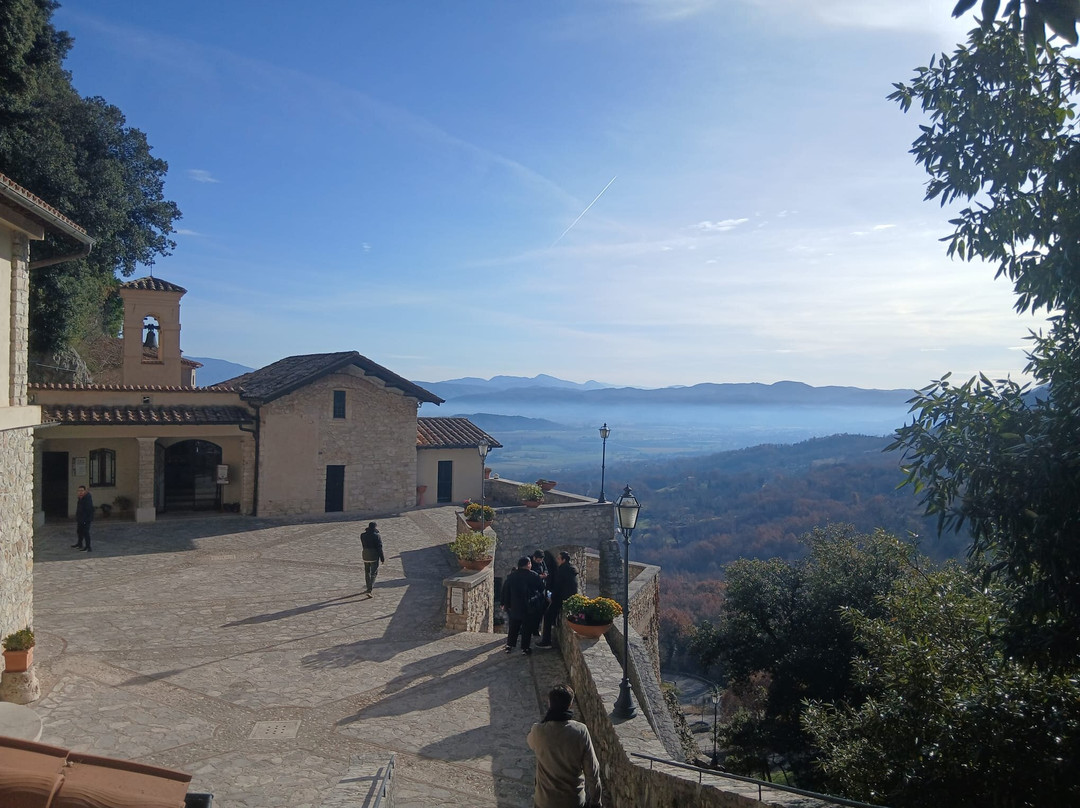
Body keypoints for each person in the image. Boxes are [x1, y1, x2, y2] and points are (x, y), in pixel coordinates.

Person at [527, 684, 603, 808]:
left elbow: (531, 743)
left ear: (549, 703)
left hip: (545, 802)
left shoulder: (538, 731)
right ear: (570, 704)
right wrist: (596, 802)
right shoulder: (580, 731)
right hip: (573, 801)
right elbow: (592, 771)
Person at [501, 555, 545, 655]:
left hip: (514, 605)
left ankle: (509, 645)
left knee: (513, 626)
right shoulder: (533, 576)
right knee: (526, 628)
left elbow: (506, 590)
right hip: (528, 606)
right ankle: (525, 648)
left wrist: (504, 603)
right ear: (528, 564)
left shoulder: (512, 576)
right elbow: (541, 589)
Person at [538, 551, 579, 648]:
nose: (557, 560)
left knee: (547, 616)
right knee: (550, 615)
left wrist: (551, 597)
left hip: (561, 598)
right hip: (570, 597)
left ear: (563, 560)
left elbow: (558, 587)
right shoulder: (571, 568)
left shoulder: (562, 570)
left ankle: (546, 642)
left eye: (559, 558)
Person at [359, 522, 385, 596]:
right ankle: (369, 589)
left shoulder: (362, 535)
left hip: (365, 555)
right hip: (373, 556)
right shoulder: (376, 536)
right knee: (373, 573)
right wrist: (382, 558)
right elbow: (379, 548)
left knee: (367, 572)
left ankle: (368, 586)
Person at [73, 485, 94, 552]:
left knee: (86, 532)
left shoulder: (87, 498)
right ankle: (79, 544)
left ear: (85, 491)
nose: (80, 492)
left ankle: (88, 547)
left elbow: (88, 509)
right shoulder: (80, 498)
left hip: (85, 519)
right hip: (80, 518)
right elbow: (79, 508)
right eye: (79, 491)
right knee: (79, 531)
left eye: (82, 490)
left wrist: (85, 519)